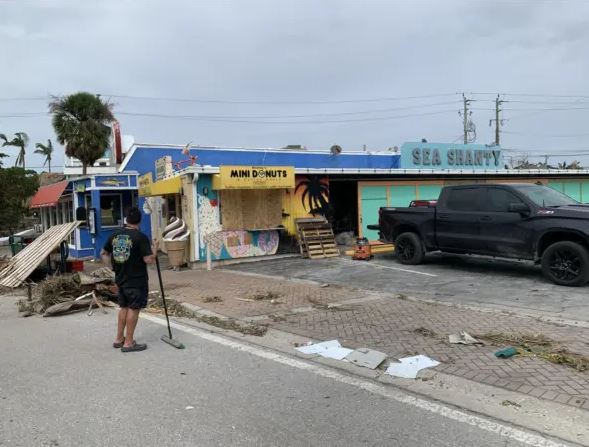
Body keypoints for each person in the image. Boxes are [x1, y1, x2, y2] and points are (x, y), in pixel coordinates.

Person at [101, 207, 158, 352]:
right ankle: (129, 342)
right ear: (139, 220)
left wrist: (112, 268)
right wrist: (155, 249)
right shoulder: (140, 237)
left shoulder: (115, 235)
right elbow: (148, 260)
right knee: (134, 308)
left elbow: (104, 253)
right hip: (136, 280)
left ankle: (119, 339)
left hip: (120, 279)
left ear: (126, 219)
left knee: (124, 307)